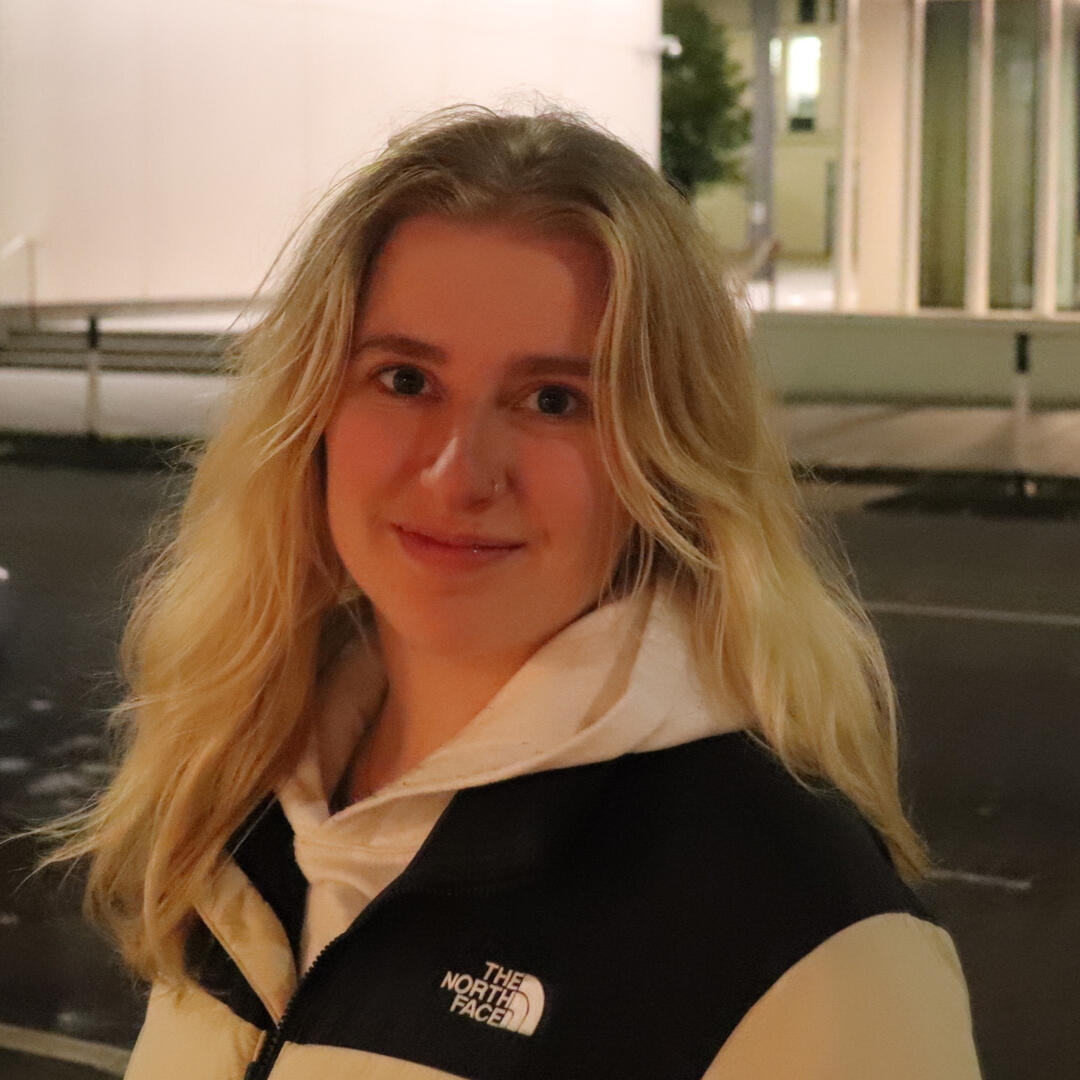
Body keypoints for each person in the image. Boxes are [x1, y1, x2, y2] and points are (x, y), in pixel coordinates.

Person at [45, 104, 982, 1078]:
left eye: (553, 400)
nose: (458, 473)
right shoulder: (250, 792)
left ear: (663, 460)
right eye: (405, 380)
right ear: (313, 412)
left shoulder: (805, 939)